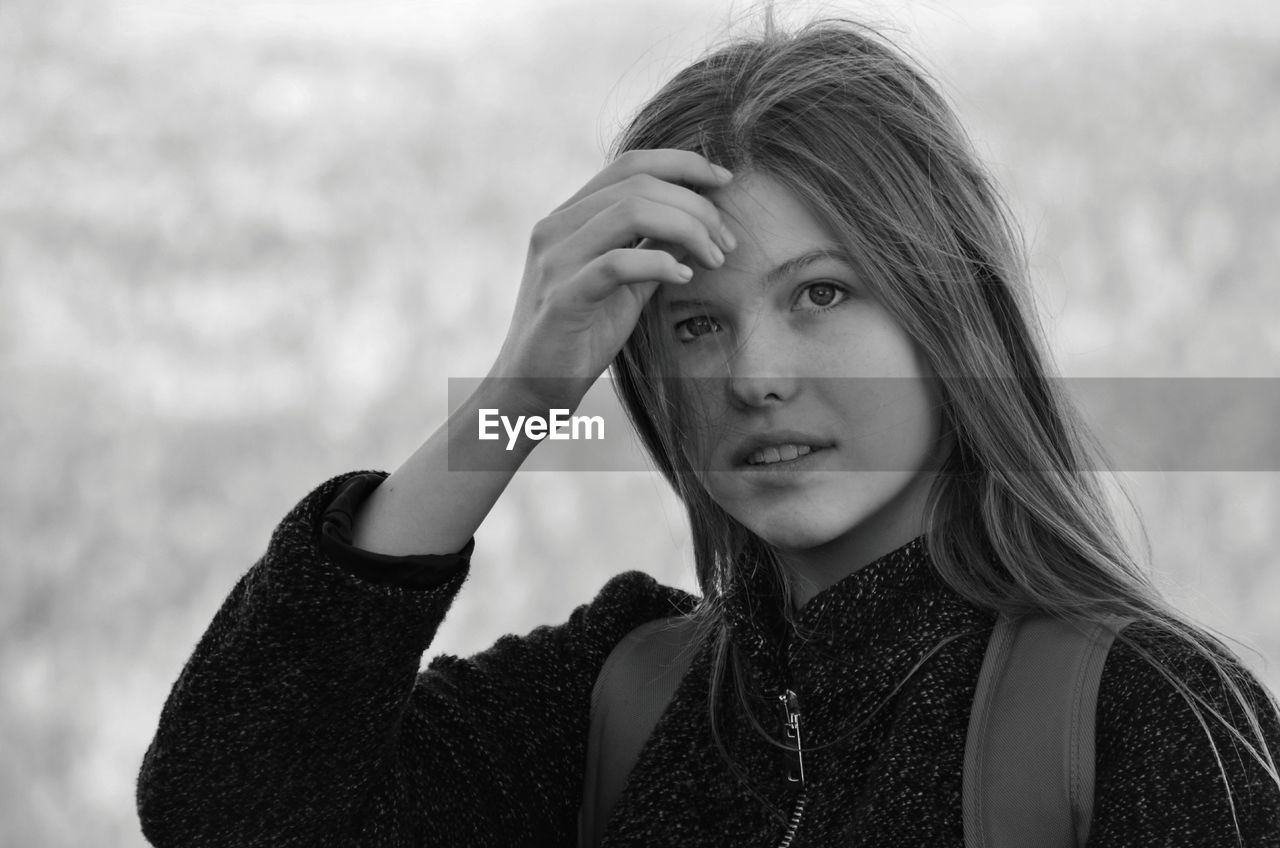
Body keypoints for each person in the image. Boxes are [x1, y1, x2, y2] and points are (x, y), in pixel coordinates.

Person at [136, 16, 1280, 847]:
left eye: (822, 293)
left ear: (949, 312)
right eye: (692, 322)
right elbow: (229, 803)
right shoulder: (618, 696)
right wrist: (519, 391)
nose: (755, 376)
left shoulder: (1146, 714)